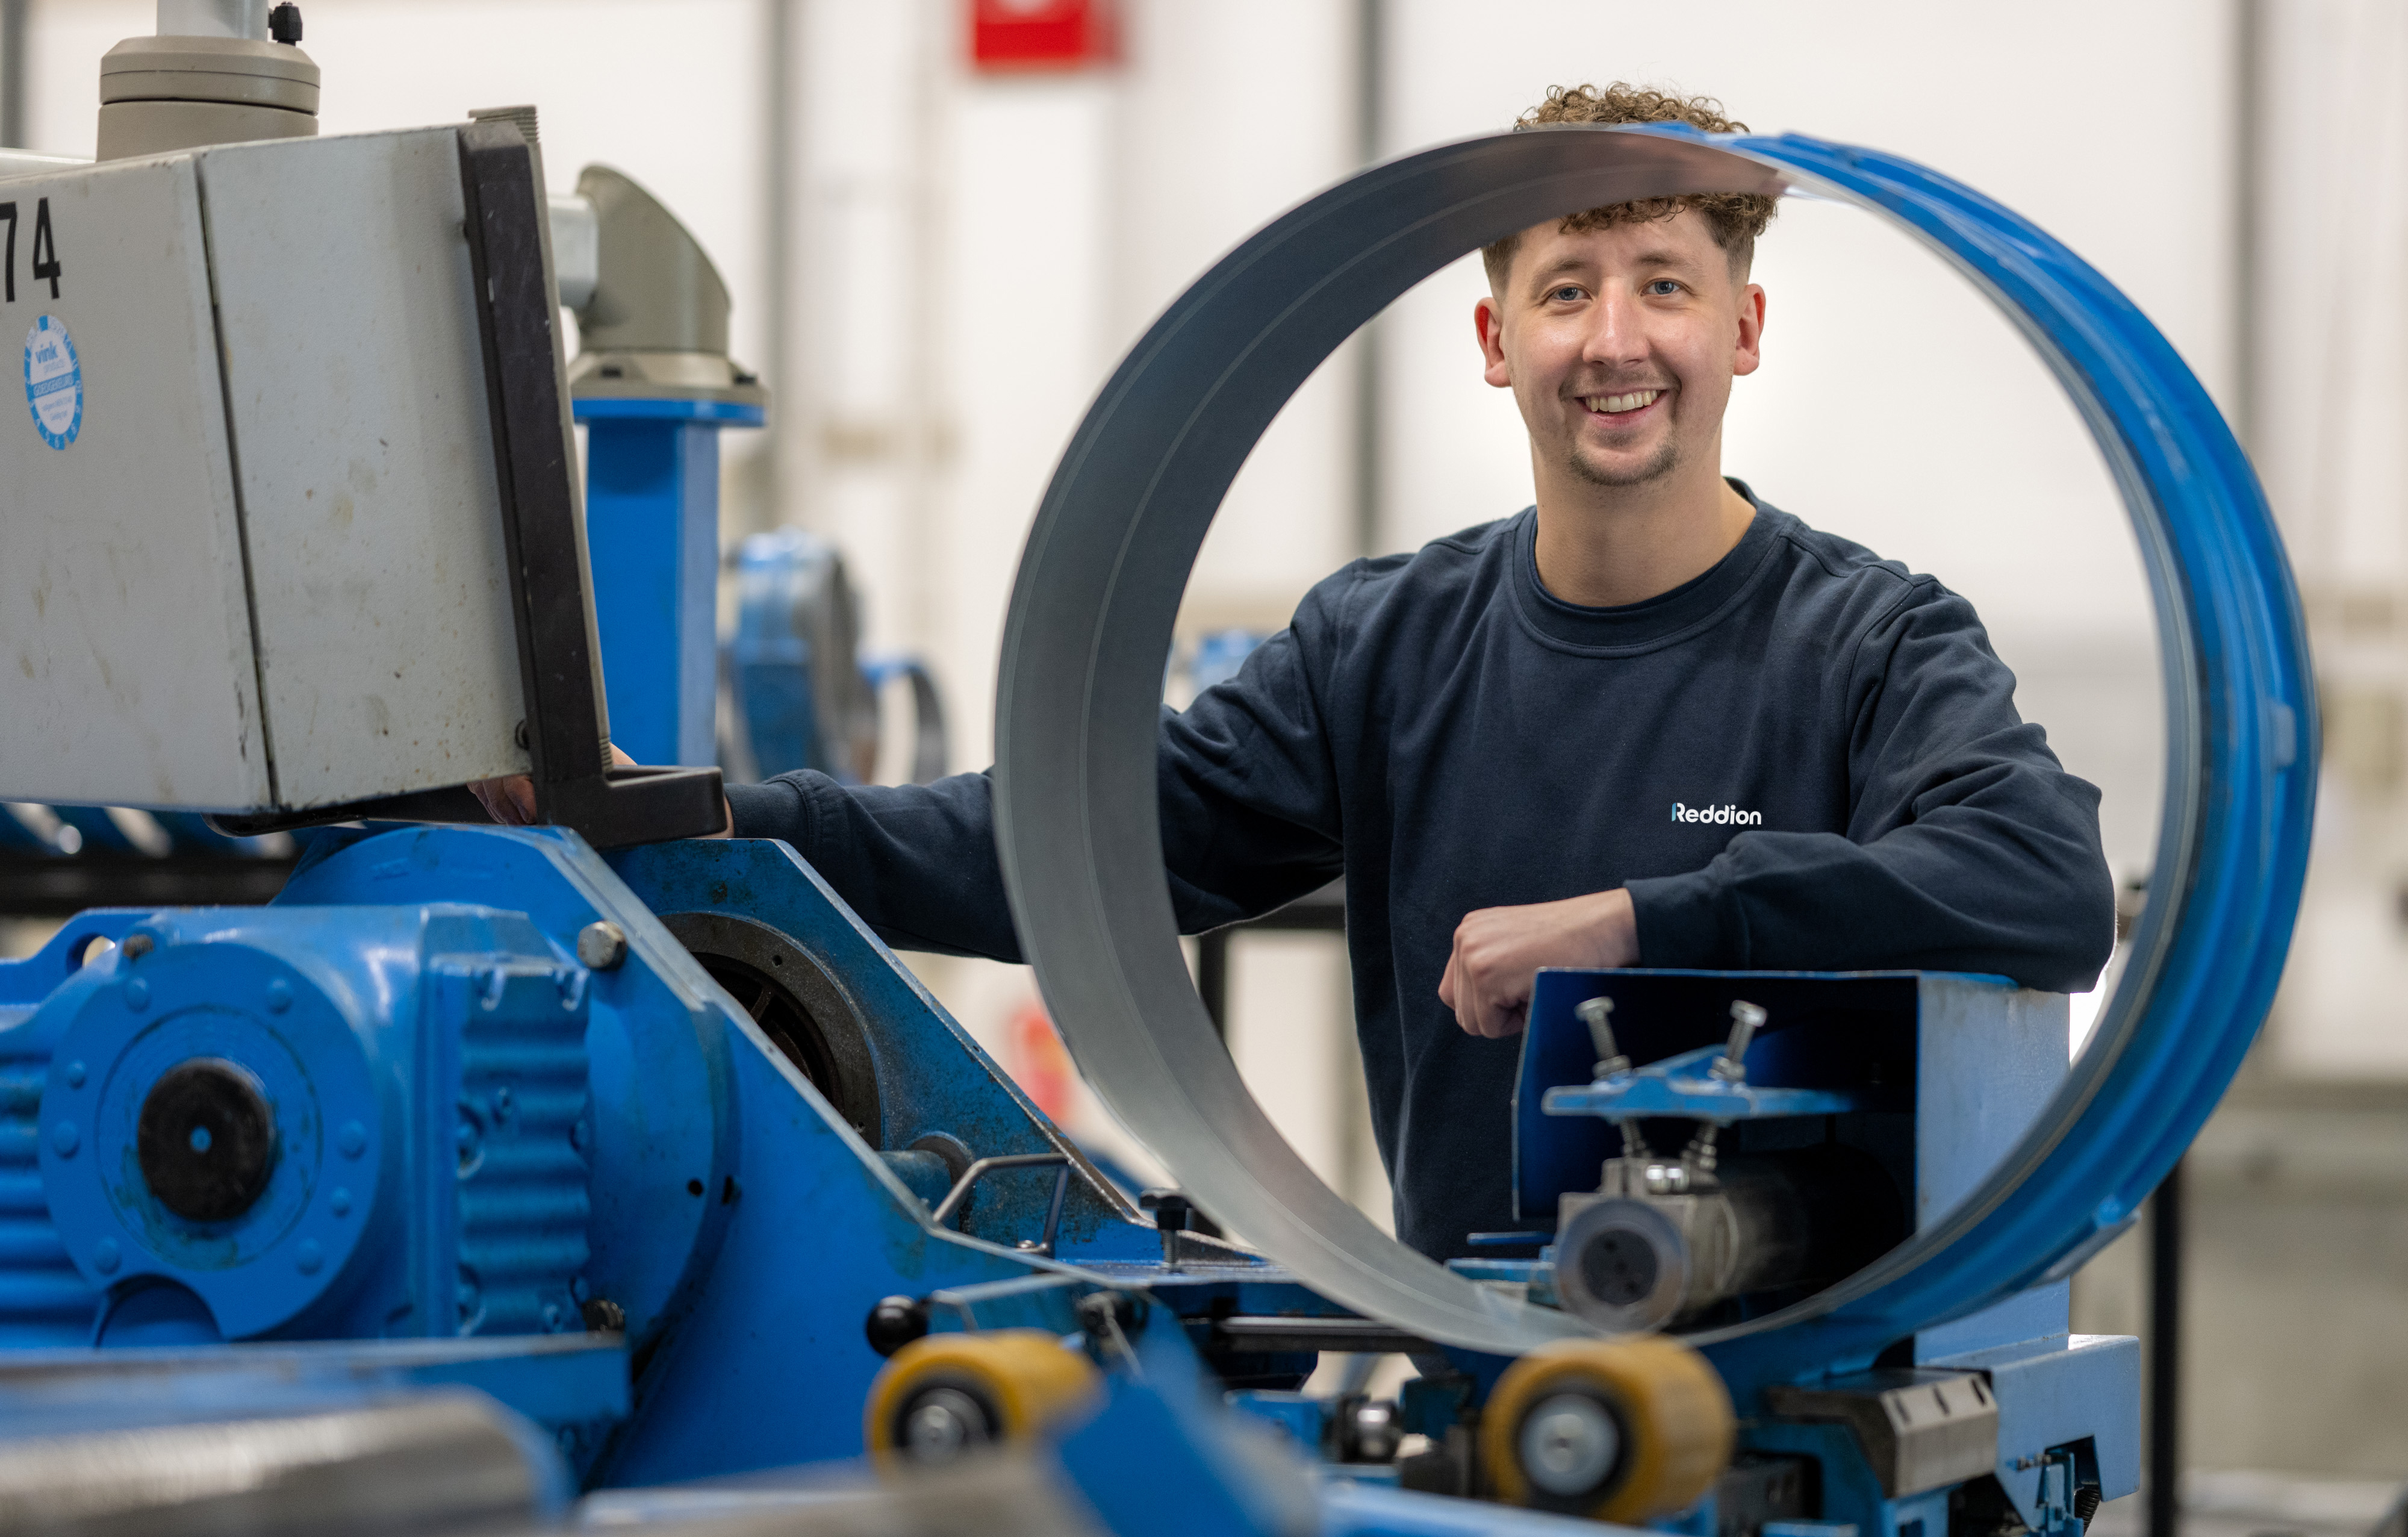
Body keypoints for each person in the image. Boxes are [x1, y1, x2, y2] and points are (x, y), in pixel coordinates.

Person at [479, 84, 2116, 1267]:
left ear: (1744, 329)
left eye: (1666, 287)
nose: (1616, 340)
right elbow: (1065, 851)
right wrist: (707, 820)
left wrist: (1643, 921)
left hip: (1807, 1387)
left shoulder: (1873, 642)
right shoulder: (1385, 646)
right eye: (1565, 290)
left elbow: (2041, 887)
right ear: (1496, 342)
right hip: (1484, 1381)